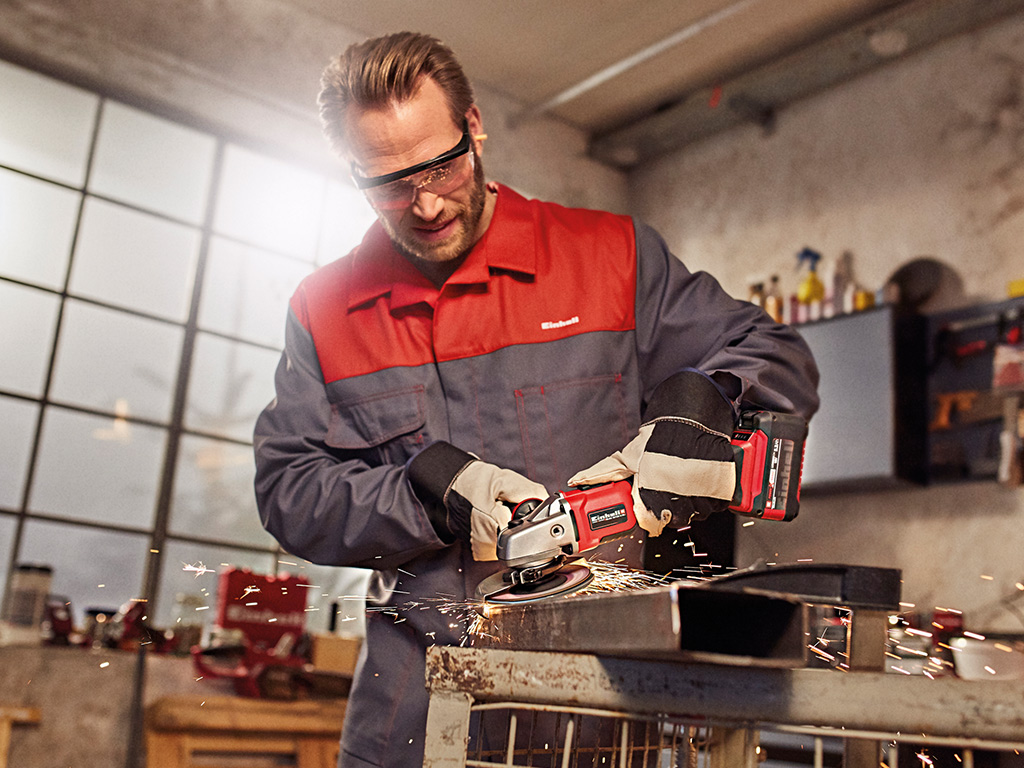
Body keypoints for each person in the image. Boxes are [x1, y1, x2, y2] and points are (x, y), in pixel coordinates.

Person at [254, 31, 819, 768]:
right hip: (413, 724)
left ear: (475, 126)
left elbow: (773, 352)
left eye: (442, 165)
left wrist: (700, 406)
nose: (424, 204)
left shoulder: (610, 257)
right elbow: (289, 489)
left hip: (598, 718)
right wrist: (429, 493)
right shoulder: (324, 308)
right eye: (388, 183)